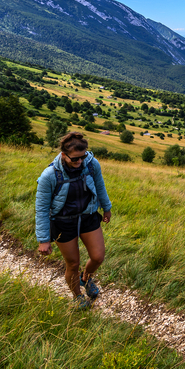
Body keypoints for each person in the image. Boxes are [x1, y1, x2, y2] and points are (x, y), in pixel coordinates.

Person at [35, 131, 112, 310]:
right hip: (63, 222)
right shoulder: (49, 175)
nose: (79, 162)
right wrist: (44, 239)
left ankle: (86, 278)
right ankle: (77, 296)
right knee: (73, 263)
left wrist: (106, 208)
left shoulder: (91, 165)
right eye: (75, 159)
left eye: (82, 157)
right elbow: (41, 209)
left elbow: (100, 186)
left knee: (98, 256)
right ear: (63, 155)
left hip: (88, 216)